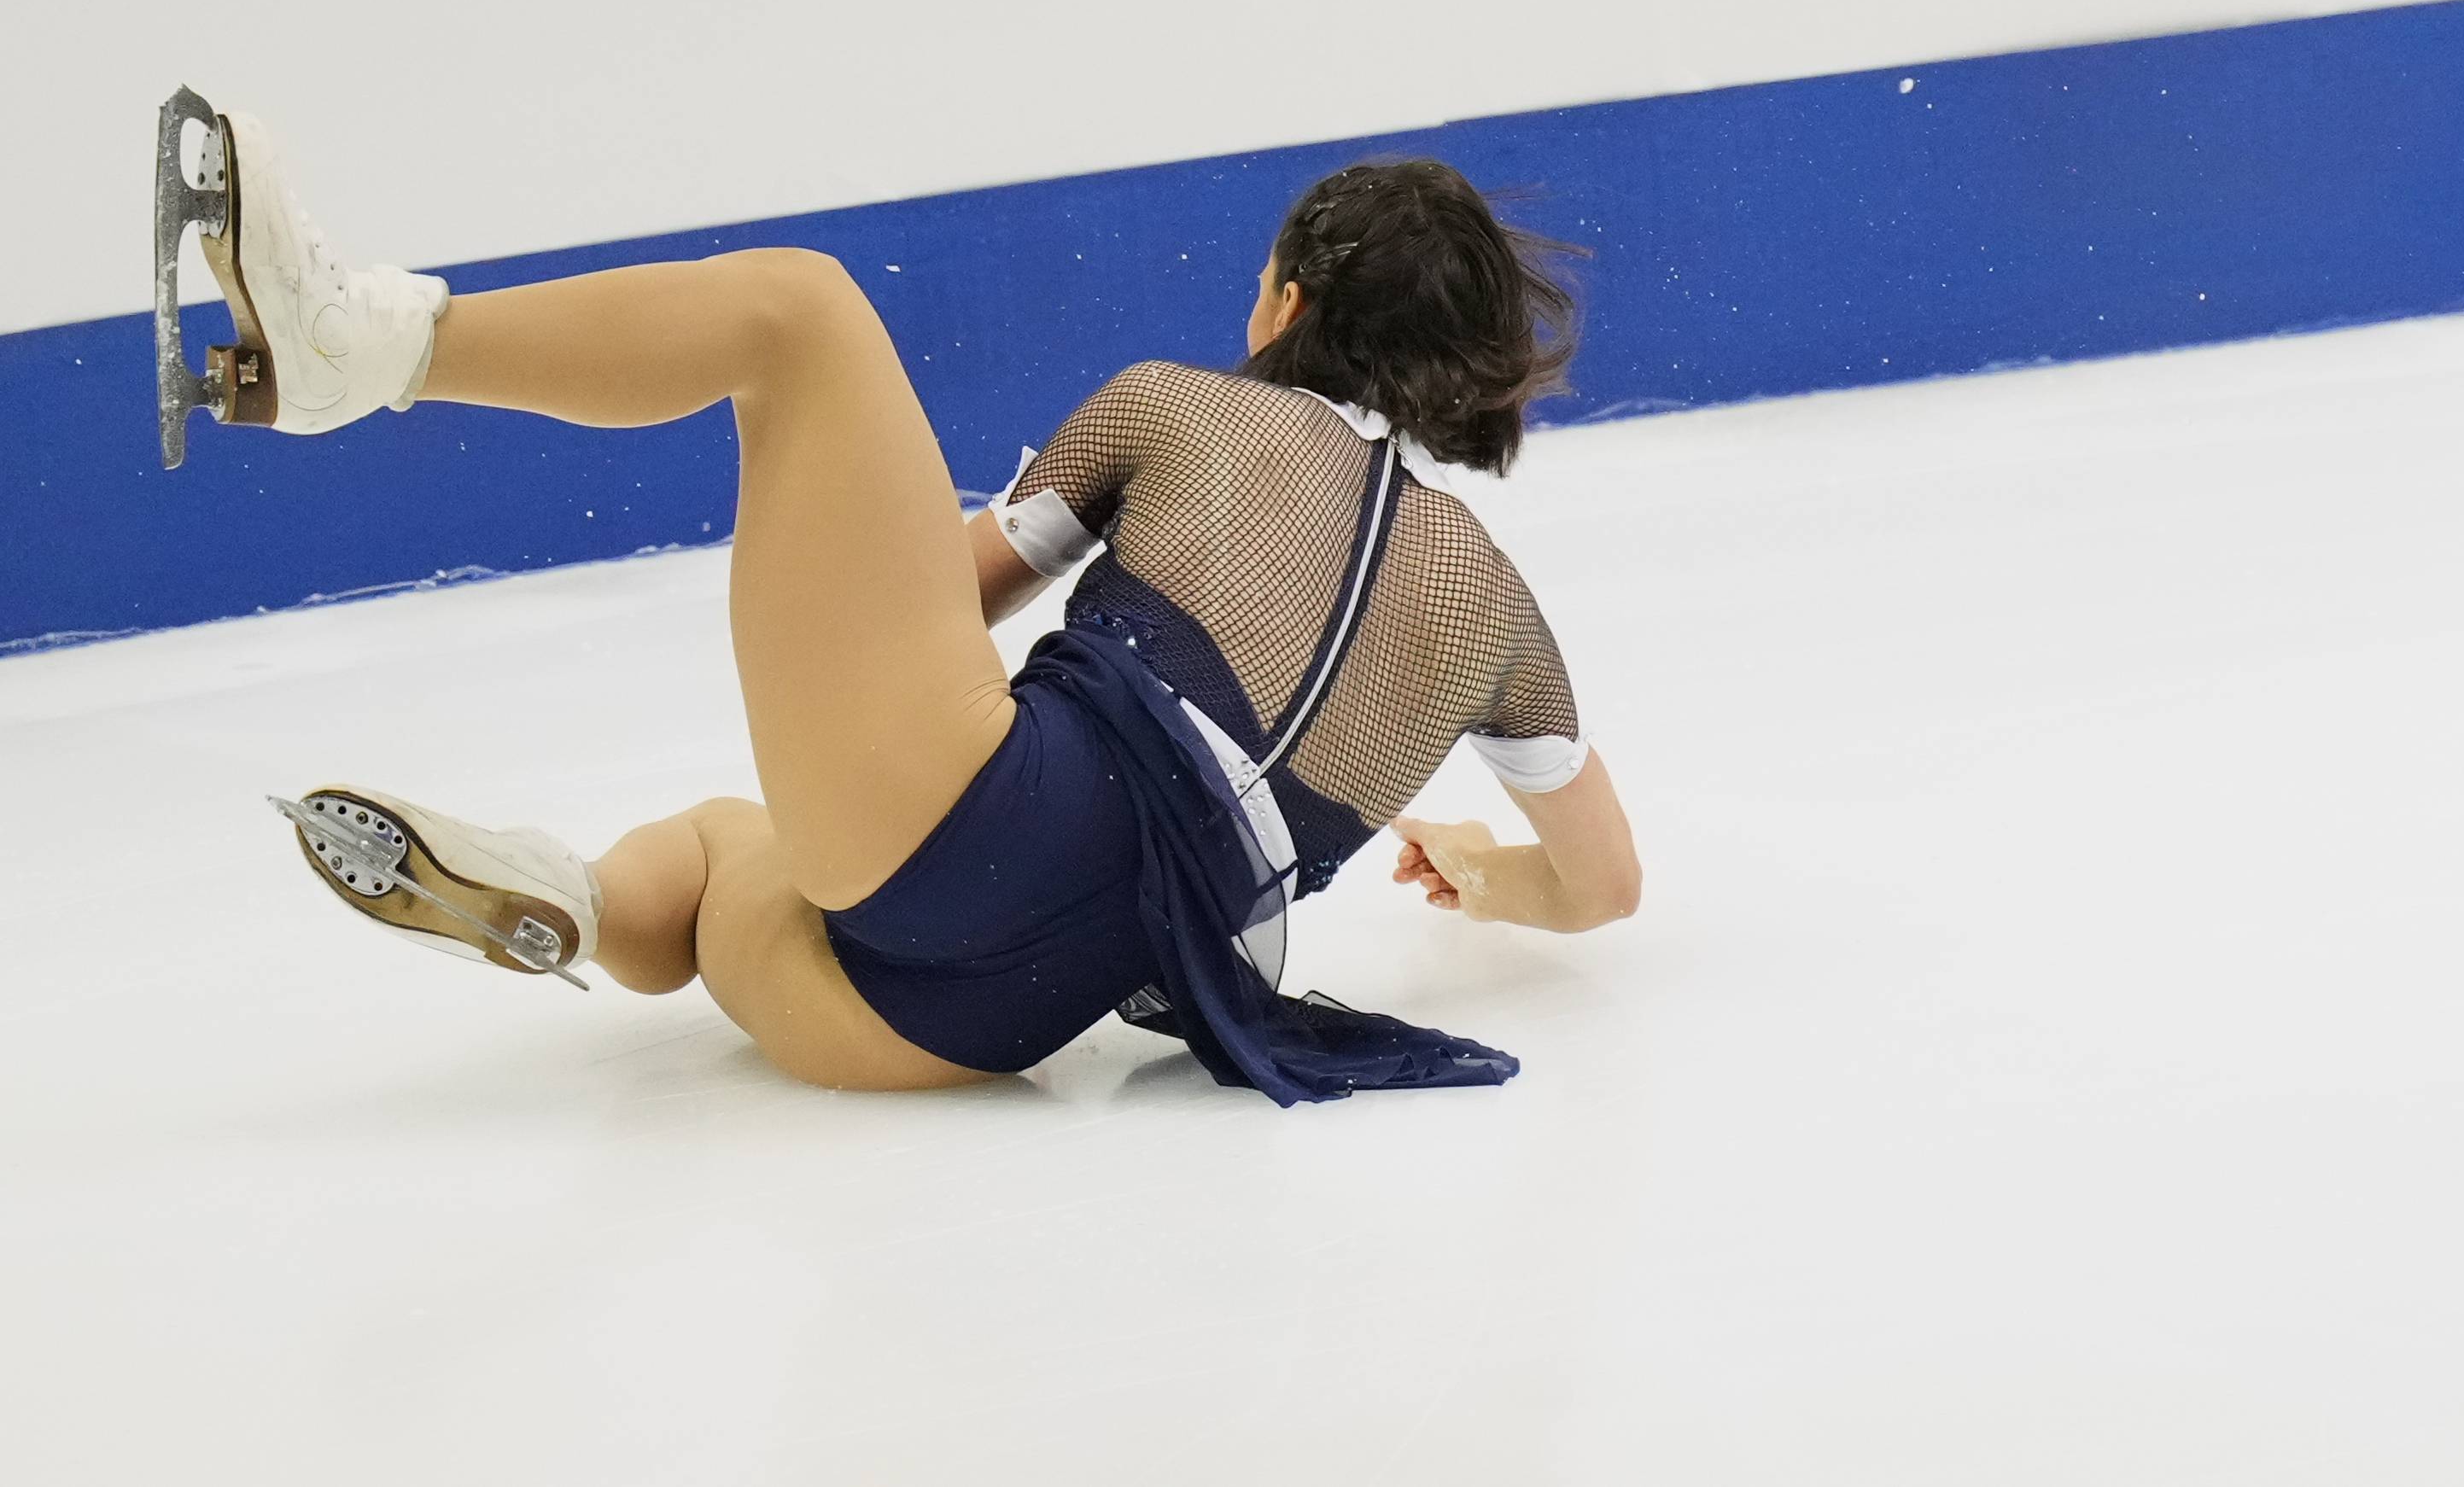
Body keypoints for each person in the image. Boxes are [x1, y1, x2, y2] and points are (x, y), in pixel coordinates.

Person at [210, 111, 1643, 1099]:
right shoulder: (1496, 615)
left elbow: (934, 603)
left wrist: (817, 537)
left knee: (801, 314)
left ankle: (354, 350)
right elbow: (1602, 889)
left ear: (1284, 305)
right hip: (982, 1019)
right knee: (723, 849)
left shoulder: (1181, 409)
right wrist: (1483, 867)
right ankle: (577, 906)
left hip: (970, 825)